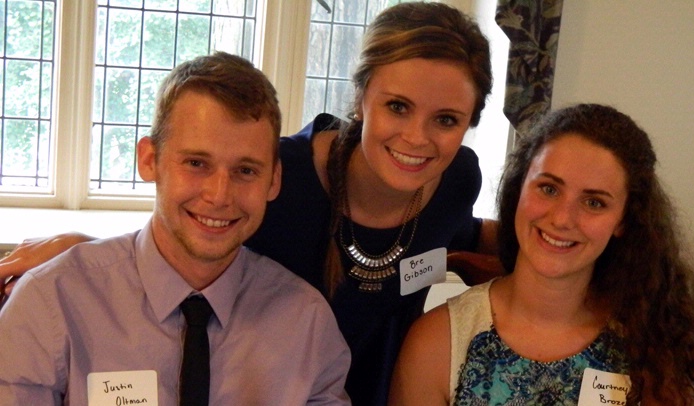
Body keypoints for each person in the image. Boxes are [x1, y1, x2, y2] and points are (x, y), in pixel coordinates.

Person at [0, 2, 496, 404]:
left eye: (447, 119)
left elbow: (469, 234)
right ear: (363, 95)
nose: (417, 138)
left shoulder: (455, 181)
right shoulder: (281, 180)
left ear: (469, 121)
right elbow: (193, 230)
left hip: (372, 386)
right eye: (398, 106)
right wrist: (82, 259)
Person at [0, 52, 351, 405]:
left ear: (274, 180)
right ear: (149, 160)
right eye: (197, 163)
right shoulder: (51, 306)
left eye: (246, 171)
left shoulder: (307, 325)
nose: (219, 195)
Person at [388, 103, 694, 405]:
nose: (562, 219)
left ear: (624, 219)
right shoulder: (438, 343)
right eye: (549, 189)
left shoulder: (657, 344)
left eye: (594, 202)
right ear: (520, 188)